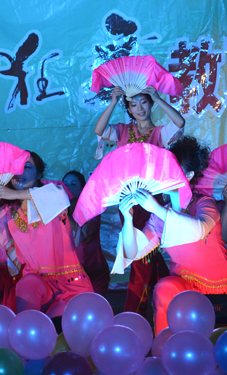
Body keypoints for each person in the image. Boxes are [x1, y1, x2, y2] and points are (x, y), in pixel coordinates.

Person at [115, 136, 227, 334]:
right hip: (184, 290)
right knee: (164, 287)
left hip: (219, 293)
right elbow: (133, 253)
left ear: (189, 175)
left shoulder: (204, 203)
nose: (166, 174)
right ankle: (164, 344)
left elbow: (199, 229)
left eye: (173, 169)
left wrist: (156, 209)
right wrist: (128, 220)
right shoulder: (159, 216)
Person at [94, 86, 185, 316]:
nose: (139, 108)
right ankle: (169, 294)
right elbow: (99, 130)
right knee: (145, 253)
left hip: (150, 202)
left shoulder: (159, 133)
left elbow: (179, 122)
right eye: (133, 104)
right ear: (128, 108)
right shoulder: (123, 131)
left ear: (150, 103)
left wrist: (158, 98)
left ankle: (134, 313)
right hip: (127, 202)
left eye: (144, 102)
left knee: (141, 253)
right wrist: (112, 102)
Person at [0, 152, 93, 319]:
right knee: (28, 285)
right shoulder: (9, 212)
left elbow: (56, 195)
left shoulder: (54, 192)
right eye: (15, 169)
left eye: (27, 167)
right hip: (35, 287)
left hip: (71, 284)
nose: (19, 172)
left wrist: (10, 194)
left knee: (66, 326)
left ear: (39, 174)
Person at [63, 170, 110, 297]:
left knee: (94, 305)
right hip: (69, 273)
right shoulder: (57, 212)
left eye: (73, 184)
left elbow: (81, 234)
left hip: (94, 270)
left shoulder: (91, 209)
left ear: (83, 188)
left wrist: (64, 212)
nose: (68, 187)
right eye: (65, 184)